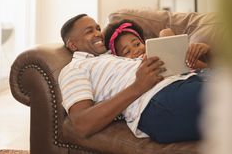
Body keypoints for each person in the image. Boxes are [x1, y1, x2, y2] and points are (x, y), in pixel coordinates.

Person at [59, 14, 205, 144]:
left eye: (98, 28)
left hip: (186, 81)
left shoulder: (112, 56)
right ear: (72, 44)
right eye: (89, 31)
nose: (98, 33)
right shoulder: (74, 68)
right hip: (157, 100)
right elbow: (82, 125)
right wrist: (138, 86)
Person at [103, 19, 211, 69]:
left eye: (137, 44)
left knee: (166, 32)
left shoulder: (156, 51)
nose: (136, 50)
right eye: (127, 51)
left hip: (200, 73)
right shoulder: (127, 68)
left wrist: (204, 49)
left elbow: (193, 65)